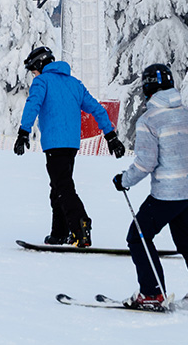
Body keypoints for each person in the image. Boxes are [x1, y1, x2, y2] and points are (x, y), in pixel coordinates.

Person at [113, 64, 188, 311]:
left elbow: (145, 163)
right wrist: (184, 176)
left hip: (166, 194)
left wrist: (124, 180)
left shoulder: (149, 120)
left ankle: (152, 294)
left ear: (147, 88)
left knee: (138, 236)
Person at [14, 46, 125, 247]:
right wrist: (110, 136)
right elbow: (97, 109)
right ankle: (59, 233)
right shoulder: (75, 84)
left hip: (54, 144)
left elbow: (33, 105)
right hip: (71, 145)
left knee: (63, 187)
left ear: (40, 64)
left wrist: (24, 132)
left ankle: (81, 227)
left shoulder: (42, 81)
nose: (34, 75)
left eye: (33, 70)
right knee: (58, 186)